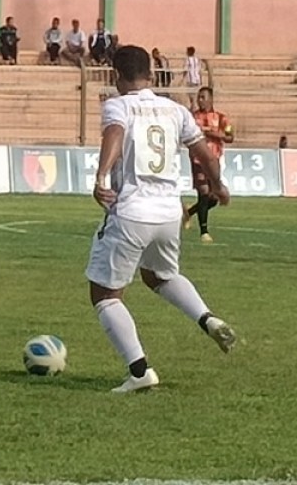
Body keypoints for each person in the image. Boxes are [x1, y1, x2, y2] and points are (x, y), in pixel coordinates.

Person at [87, 45, 237, 394]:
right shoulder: (175, 109)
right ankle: (207, 318)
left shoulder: (118, 105)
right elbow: (205, 153)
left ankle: (139, 371)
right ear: (152, 75)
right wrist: (219, 186)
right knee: (159, 276)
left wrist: (101, 177)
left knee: (106, 294)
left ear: (116, 75)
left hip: (132, 210)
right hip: (170, 212)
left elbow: (115, 134)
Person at [182, 87, 233, 243]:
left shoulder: (222, 118)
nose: (200, 100)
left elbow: (230, 136)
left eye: (203, 97)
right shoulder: (192, 117)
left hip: (215, 160)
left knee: (213, 198)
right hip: (198, 160)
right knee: (203, 192)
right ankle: (204, 232)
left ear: (211, 99)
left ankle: (189, 211)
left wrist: (211, 133)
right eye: (199, 97)